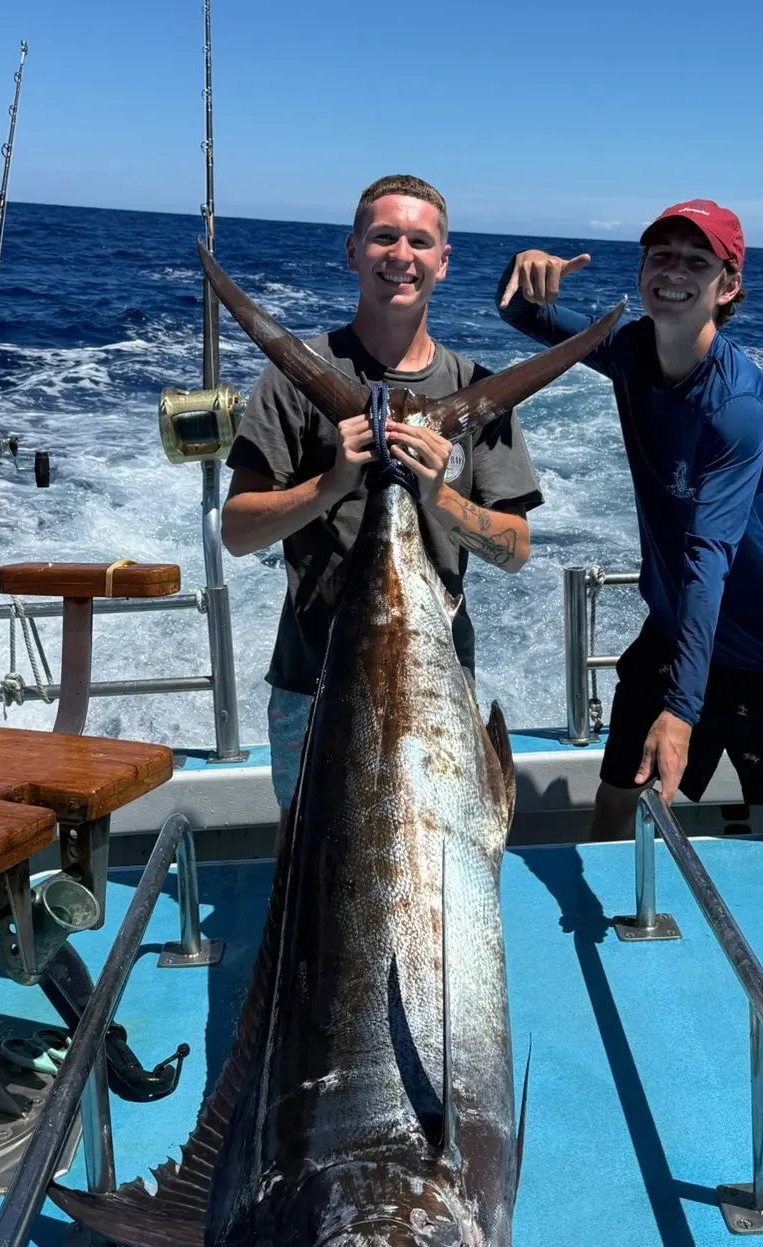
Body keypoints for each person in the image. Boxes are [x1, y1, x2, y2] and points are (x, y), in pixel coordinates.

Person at [497, 200, 763, 853]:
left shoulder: (739, 408)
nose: (673, 271)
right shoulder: (627, 348)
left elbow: (709, 559)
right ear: (641, 269)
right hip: (680, 627)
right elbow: (522, 314)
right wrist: (524, 269)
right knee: (618, 788)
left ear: (726, 287)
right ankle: (615, 913)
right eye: (660, 256)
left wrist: (683, 711)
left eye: (696, 261)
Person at [223, 173, 544, 811]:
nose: (402, 255)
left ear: (443, 262)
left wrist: (438, 497)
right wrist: (333, 483)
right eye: (384, 237)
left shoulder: (475, 389)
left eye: (420, 242)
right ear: (352, 252)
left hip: (439, 684)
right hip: (310, 683)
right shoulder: (291, 381)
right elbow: (236, 531)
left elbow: (514, 551)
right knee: (310, 868)